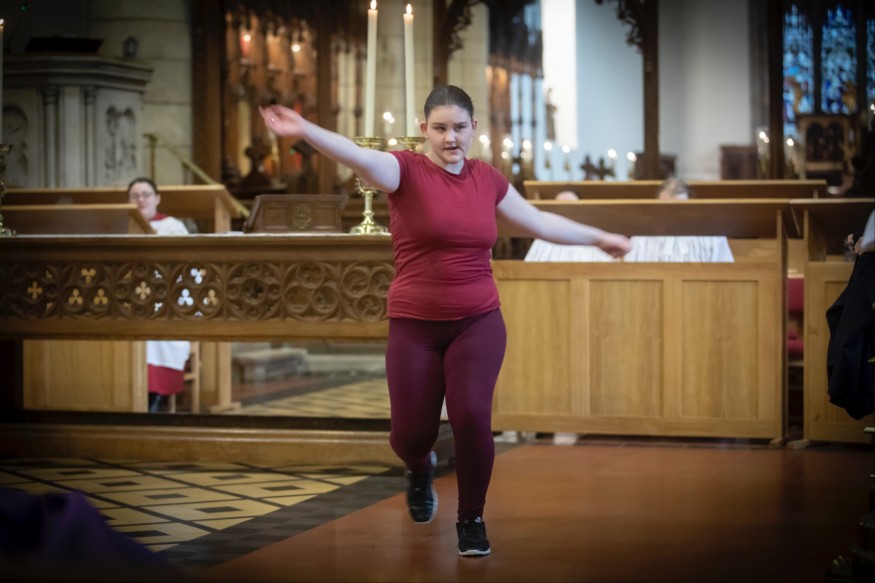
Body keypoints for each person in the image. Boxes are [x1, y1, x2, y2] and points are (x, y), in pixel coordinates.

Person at [260, 85, 631, 558]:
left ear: (474, 128)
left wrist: (599, 237)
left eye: (458, 127)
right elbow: (355, 155)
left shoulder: (487, 179)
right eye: (439, 128)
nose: (450, 138)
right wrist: (304, 128)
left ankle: (471, 518)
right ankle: (419, 466)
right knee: (409, 435)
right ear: (424, 130)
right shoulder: (402, 171)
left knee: (472, 416)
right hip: (414, 324)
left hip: (478, 320)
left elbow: (539, 222)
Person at [127, 177, 192, 413]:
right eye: (135, 196)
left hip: (164, 300)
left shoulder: (172, 227)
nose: (141, 200)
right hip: (128, 300)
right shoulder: (120, 227)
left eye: (146, 194)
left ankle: (152, 396)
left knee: (152, 327)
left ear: (157, 198)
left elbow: (183, 270)